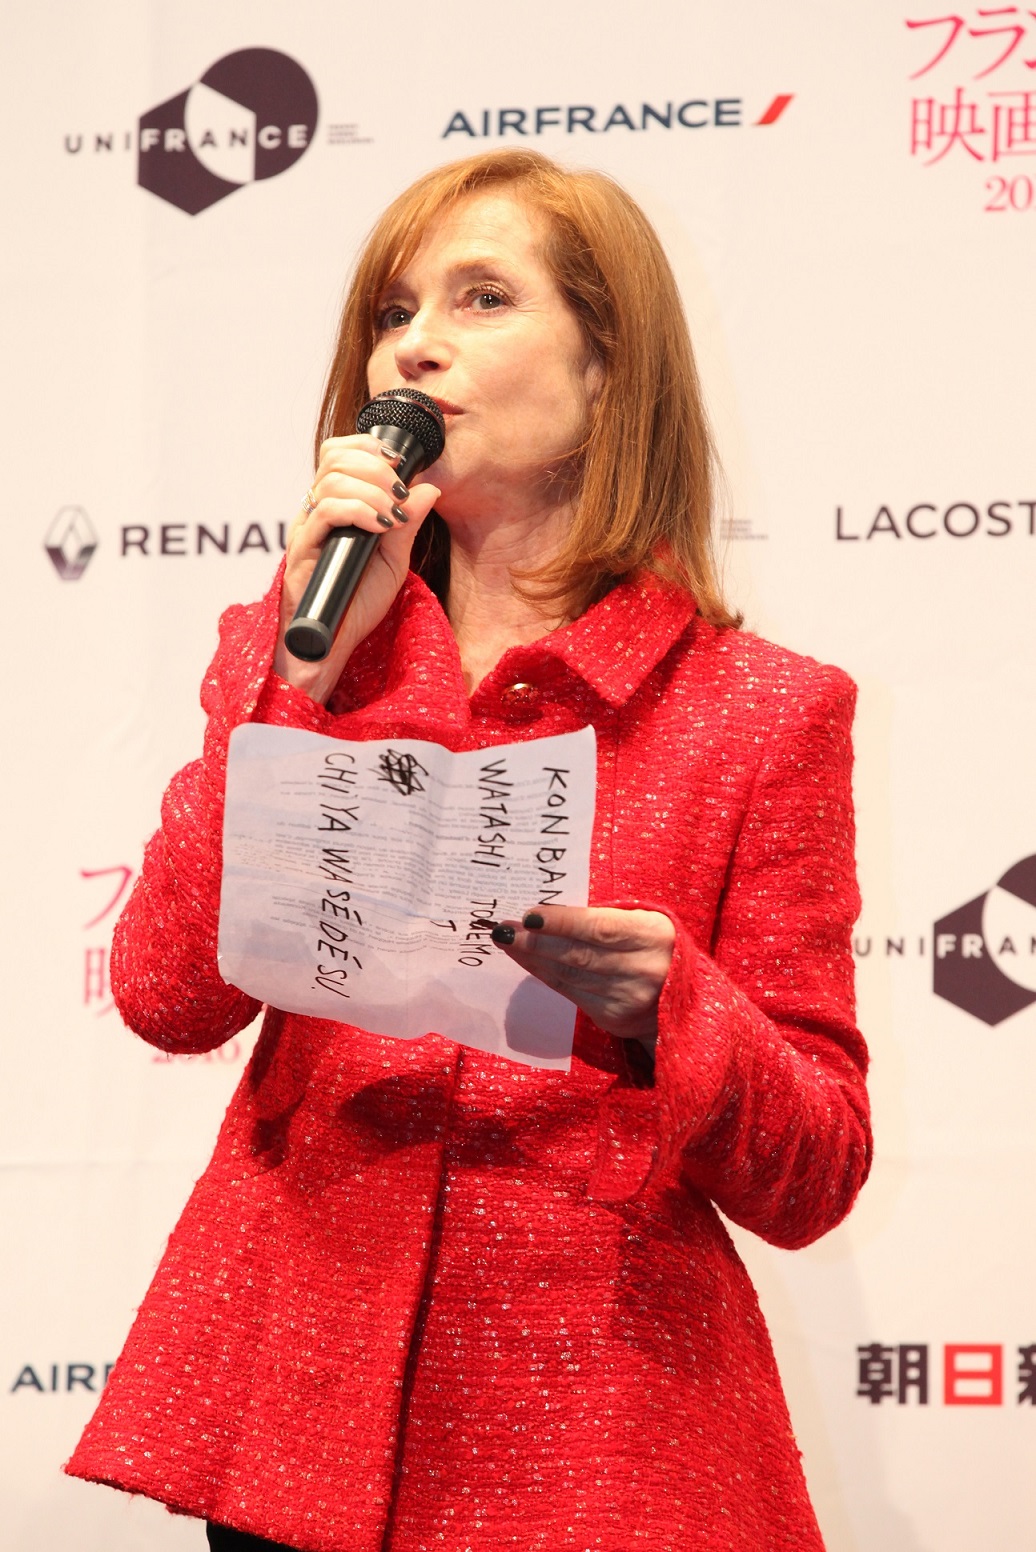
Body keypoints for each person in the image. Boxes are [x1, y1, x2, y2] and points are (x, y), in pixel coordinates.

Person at [65, 148, 870, 1551]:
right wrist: (298, 682)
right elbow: (164, 995)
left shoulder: (763, 711)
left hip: (595, 1428)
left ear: (608, 368)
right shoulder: (297, 646)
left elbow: (816, 1171)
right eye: (392, 311)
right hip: (298, 1414)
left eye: (482, 298)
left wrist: (672, 1006)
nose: (414, 344)